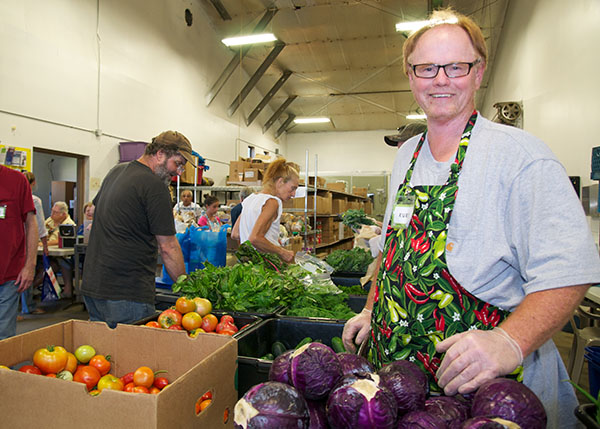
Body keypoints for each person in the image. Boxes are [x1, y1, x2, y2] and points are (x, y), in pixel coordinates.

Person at [341, 8, 600, 428]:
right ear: (410, 77)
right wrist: (373, 309)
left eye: (456, 66)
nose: (441, 79)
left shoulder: (520, 157)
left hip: (485, 391)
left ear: (478, 73)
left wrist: (509, 341)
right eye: (426, 68)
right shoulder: (407, 156)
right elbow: (394, 249)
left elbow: (571, 269)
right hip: (401, 387)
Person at [81, 130, 191, 328]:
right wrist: (187, 288)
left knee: (102, 354)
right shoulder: (155, 186)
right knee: (134, 356)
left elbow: (97, 213)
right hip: (126, 293)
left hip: (93, 287)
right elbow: (168, 247)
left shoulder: (117, 171)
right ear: (160, 154)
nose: (179, 172)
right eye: (178, 163)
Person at [231, 159, 298, 263]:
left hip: (247, 264)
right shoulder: (272, 202)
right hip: (264, 265)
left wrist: (269, 241)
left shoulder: (250, 199)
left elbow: (235, 233)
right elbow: (255, 238)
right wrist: (282, 252)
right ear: (280, 182)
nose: (293, 194)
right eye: (292, 188)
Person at [0, 166, 38, 339]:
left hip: (9, 275)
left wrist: (30, 266)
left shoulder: (17, 180)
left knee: (4, 336)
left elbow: (31, 224)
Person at [22, 172, 48, 315]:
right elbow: (39, 225)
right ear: (33, 183)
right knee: (28, 272)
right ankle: (29, 306)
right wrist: (45, 245)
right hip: (27, 243)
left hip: (13, 242)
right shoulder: (34, 200)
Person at [45, 201, 76, 298]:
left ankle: (67, 290)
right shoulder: (50, 220)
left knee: (55, 265)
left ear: (63, 214)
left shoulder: (69, 224)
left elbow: (59, 241)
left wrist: (43, 243)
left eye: (55, 212)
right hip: (47, 253)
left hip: (61, 256)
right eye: (52, 211)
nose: (52, 214)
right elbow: (41, 232)